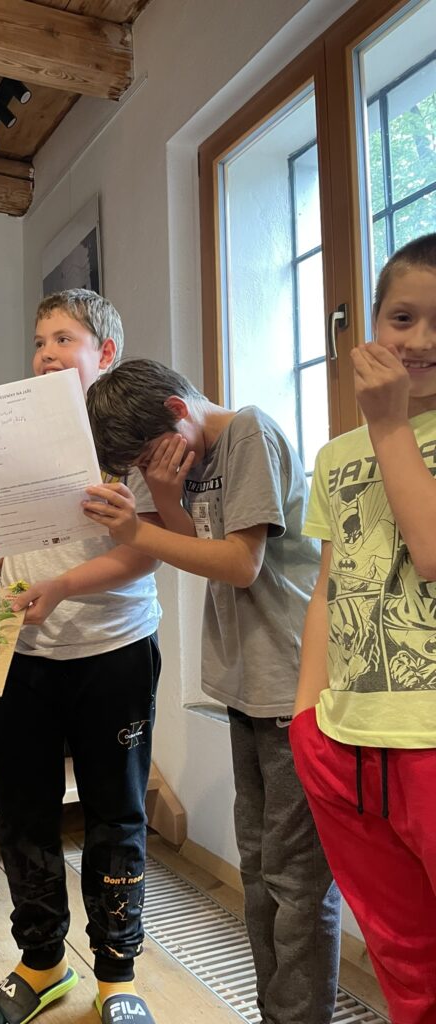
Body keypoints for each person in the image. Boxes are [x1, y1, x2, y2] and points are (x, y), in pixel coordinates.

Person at [82, 360, 341, 1024]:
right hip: (246, 684)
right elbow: (199, 551)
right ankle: (273, 1010)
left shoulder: (249, 431)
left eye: (148, 456)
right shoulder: (190, 460)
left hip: (292, 682)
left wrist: (137, 529)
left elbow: (240, 563)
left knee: (295, 879)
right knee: (259, 870)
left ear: (177, 409)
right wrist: (166, 499)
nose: (151, 468)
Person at [0, 290, 163, 1024]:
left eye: (64, 339)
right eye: (39, 339)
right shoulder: (12, 438)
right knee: (23, 814)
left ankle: (117, 973)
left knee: (117, 815)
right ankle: (42, 961)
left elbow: (147, 551)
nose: (45, 353)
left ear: (104, 353)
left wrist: (62, 586)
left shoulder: (135, 436)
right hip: (25, 656)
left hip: (115, 651)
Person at [289, 233, 436, 1024]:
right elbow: (329, 584)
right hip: (345, 741)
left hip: (429, 740)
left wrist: (390, 424)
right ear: (372, 324)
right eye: (403, 318)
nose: (420, 341)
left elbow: (432, 553)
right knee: (401, 956)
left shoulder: (382, 431)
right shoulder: (334, 455)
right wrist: (305, 718)